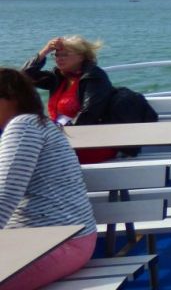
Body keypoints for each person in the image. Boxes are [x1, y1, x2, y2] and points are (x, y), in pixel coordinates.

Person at [0, 68, 98, 290]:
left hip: (59, 242)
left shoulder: (23, 127)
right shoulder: (36, 124)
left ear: (10, 98)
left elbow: (5, 196)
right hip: (45, 238)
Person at [22, 35, 117, 163]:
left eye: (65, 55)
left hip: (88, 143)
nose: (59, 59)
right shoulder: (58, 77)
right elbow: (24, 76)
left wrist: (53, 137)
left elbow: (88, 115)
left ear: (82, 56)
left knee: (29, 157)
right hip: (62, 138)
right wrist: (45, 51)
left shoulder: (93, 77)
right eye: (56, 55)